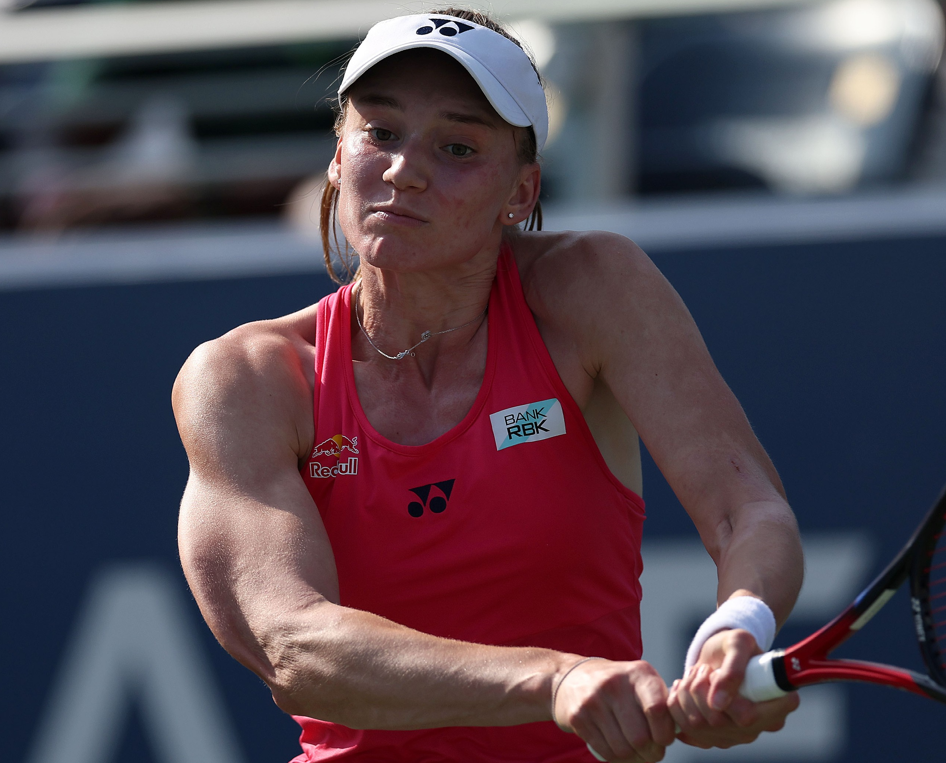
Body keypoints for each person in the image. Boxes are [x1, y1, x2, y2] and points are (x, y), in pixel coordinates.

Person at [172, 9, 803, 763]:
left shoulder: (595, 289)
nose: (406, 168)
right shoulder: (243, 378)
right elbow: (295, 648)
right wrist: (553, 680)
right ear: (338, 156)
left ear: (520, 189)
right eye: (381, 132)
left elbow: (748, 509)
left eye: (458, 146)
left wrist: (740, 624)